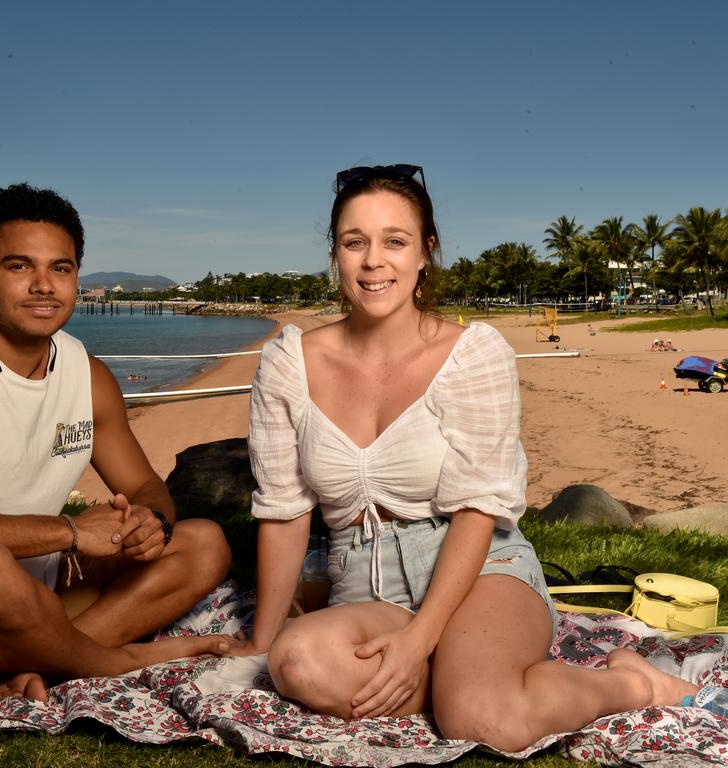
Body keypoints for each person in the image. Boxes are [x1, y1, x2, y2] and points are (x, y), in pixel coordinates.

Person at [230, 165, 698, 751]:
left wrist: (423, 635)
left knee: (486, 722)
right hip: (364, 583)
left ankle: (631, 684)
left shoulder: (473, 355)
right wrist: (261, 642)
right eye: (356, 242)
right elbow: (284, 510)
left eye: (395, 241)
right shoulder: (288, 363)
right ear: (337, 254)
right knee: (296, 662)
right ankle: (460, 680)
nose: (374, 261)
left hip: (478, 569)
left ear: (426, 252)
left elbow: (480, 509)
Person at [0, 183, 231, 700]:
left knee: (202, 541)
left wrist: (151, 523)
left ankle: (43, 662)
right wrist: (70, 533)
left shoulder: (89, 374)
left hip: (39, 592)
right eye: (19, 266)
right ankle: (115, 660)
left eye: (60, 268)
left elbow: (146, 485)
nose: (43, 286)